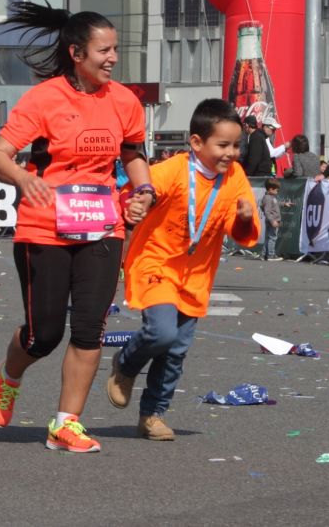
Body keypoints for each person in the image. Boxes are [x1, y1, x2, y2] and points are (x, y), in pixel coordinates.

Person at [0, 2, 152, 454]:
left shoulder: (124, 101)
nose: (113, 58)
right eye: (104, 50)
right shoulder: (44, 99)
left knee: (90, 328)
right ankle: (9, 377)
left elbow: (133, 155)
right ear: (76, 54)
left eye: (115, 49)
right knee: (44, 334)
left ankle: (65, 424)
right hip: (44, 228)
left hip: (102, 227)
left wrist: (144, 191)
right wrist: (24, 180)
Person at [106, 98, 258, 441]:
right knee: (162, 333)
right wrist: (141, 201)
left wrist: (245, 218)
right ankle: (126, 364)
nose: (231, 153)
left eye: (236, 145)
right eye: (223, 145)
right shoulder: (173, 169)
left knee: (176, 350)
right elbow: (142, 189)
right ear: (197, 143)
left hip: (195, 275)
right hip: (156, 262)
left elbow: (243, 231)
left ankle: (152, 415)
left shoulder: (235, 177)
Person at [260, 178, 282, 261]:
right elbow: (267, 211)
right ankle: (271, 255)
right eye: (276, 190)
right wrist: (272, 221)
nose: (277, 192)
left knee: (268, 238)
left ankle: (264, 255)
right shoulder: (268, 198)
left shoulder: (271, 197)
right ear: (270, 189)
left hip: (271, 220)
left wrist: (284, 204)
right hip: (272, 221)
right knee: (272, 238)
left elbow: (276, 204)